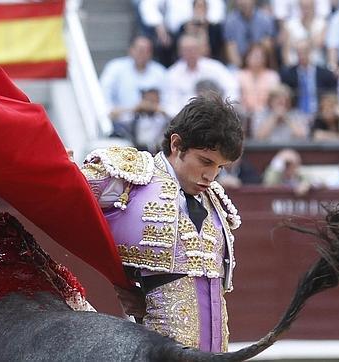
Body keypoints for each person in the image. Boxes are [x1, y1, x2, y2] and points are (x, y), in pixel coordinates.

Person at [81, 94, 244, 352]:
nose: (211, 176)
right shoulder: (130, 177)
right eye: (205, 161)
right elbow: (66, 199)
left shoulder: (214, 202)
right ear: (176, 144)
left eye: (220, 167)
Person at [163, 34, 239, 117]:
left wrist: (225, 108)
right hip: (184, 119)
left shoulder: (215, 67)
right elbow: (170, 102)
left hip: (215, 116)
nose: (190, 53)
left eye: (193, 49)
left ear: (200, 50)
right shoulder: (173, 73)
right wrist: (182, 119)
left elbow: (231, 87)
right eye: (186, 50)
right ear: (180, 52)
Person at [100, 35, 167, 127]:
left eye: (146, 51)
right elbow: (104, 100)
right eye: (139, 50)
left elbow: (168, 104)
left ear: (151, 53)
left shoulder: (160, 72)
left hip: (155, 129)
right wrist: (132, 109)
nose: (142, 54)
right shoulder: (114, 68)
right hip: (120, 127)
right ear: (131, 50)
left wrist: (151, 108)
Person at [280, 39, 338, 116]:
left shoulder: (325, 74)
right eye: (299, 52)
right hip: (295, 115)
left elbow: (332, 93)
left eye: (305, 51)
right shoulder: (288, 75)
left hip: (320, 114)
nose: (302, 55)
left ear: (311, 52)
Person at [223, 0, 277, 70]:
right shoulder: (229, 22)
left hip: (261, 62)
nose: (243, 2)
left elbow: (268, 49)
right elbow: (230, 49)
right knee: (232, 70)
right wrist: (243, 70)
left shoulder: (265, 19)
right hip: (240, 65)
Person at [238, 43, 281, 116]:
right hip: (243, 113)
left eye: (259, 56)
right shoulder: (239, 75)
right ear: (247, 57)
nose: (256, 59)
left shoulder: (272, 76)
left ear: (265, 59)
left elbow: (275, 99)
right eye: (253, 55)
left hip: (266, 114)